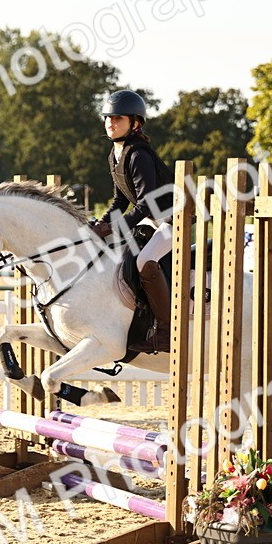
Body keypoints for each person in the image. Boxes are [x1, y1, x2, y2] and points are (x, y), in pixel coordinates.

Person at [90, 90, 174, 353]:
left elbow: (146, 202)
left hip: (174, 221)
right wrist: (99, 226)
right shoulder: (115, 154)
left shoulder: (138, 155)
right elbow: (119, 201)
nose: (110, 123)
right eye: (107, 118)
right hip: (152, 220)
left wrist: (117, 227)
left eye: (117, 118)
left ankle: (165, 329)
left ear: (135, 123)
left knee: (143, 262)